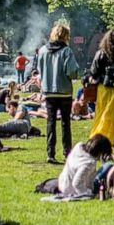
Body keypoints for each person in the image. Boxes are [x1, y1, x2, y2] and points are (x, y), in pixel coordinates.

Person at [35, 22, 82, 164]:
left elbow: (40, 70)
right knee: (65, 124)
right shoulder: (66, 51)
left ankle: (50, 153)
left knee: (50, 123)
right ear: (65, 36)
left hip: (49, 91)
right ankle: (67, 153)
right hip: (64, 91)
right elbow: (72, 71)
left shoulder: (43, 50)